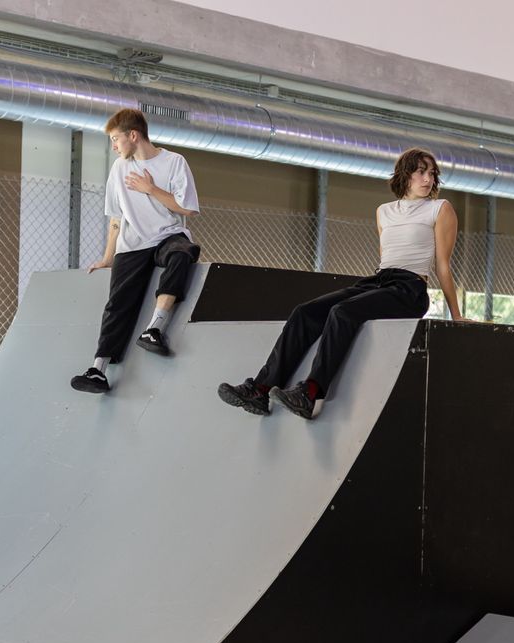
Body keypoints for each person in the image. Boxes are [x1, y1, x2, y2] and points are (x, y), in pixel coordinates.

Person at [217, 147, 461, 420]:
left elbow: (442, 265)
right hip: (379, 280)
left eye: (432, 173)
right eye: (420, 172)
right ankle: (261, 389)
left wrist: (457, 315)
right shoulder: (384, 212)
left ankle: (309, 393)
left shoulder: (440, 209)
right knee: (304, 313)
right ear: (405, 174)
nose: (427, 179)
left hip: (409, 289)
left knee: (343, 312)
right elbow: (386, 257)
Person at [70, 108, 201, 394]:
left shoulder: (174, 162)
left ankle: (155, 328)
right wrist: (107, 258)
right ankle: (98, 369)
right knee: (118, 303)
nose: (114, 146)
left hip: (167, 236)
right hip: (133, 244)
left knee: (183, 253)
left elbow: (188, 208)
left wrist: (150, 189)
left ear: (133, 135)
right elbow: (116, 218)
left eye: (116, 139)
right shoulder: (119, 168)